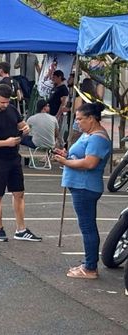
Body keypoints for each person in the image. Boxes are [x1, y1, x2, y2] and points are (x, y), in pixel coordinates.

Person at [0, 84, 41, 242]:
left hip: (13, 157)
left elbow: (21, 124)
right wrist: (5, 142)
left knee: (19, 192)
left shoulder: (12, 109)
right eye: (2, 102)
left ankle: (21, 229)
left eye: (7, 102)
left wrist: (25, 128)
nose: (5, 105)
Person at [54, 103, 111, 279]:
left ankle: (90, 267)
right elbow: (80, 156)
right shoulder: (89, 135)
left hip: (85, 187)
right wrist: (67, 156)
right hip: (80, 185)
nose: (77, 123)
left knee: (87, 227)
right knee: (87, 226)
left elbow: (89, 163)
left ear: (91, 119)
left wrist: (65, 162)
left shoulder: (97, 138)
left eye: (80, 119)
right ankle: (88, 263)